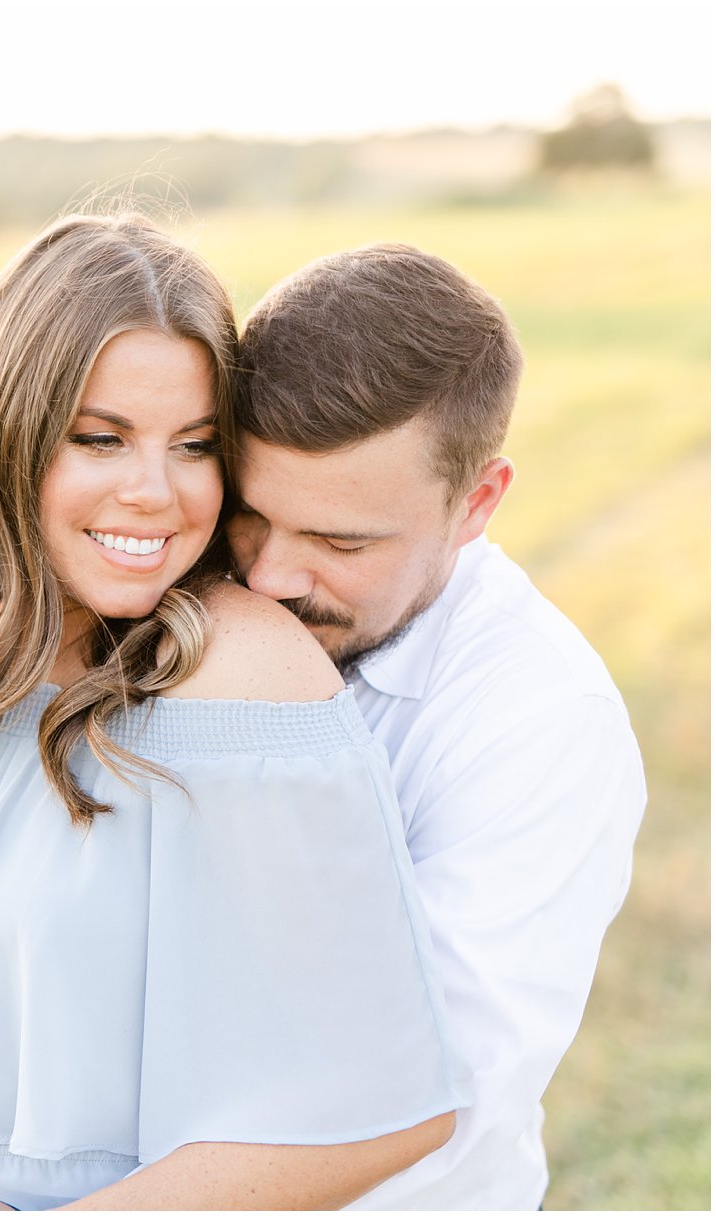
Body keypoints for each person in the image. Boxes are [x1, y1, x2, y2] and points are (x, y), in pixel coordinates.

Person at [0, 214, 470, 1212]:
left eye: (193, 446)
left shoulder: (243, 677)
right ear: (3, 433)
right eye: (101, 438)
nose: (155, 493)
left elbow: (386, 1106)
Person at [224, 243, 646, 1209]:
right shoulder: (201, 587)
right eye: (252, 516)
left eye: (341, 542)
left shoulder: (541, 723)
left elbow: (426, 1103)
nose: (267, 579)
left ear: (477, 505)